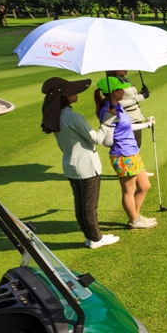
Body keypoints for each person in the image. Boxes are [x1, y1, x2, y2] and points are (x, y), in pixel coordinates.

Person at [41, 77, 120, 249]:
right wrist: (107, 119)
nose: (75, 93)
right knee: (90, 206)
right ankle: (96, 239)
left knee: (81, 205)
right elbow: (97, 138)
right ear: (64, 96)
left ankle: (90, 237)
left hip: (71, 166)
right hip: (86, 167)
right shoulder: (72, 117)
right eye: (71, 92)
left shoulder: (56, 116)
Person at [95, 76, 157, 229]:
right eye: (121, 89)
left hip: (132, 152)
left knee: (144, 186)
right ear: (114, 92)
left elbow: (126, 127)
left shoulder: (118, 106)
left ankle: (135, 217)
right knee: (129, 191)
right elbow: (107, 141)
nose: (124, 91)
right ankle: (134, 220)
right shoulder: (108, 111)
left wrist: (146, 125)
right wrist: (110, 119)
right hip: (123, 155)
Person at [103, 70, 153, 176]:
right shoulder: (113, 82)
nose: (126, 68)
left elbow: (129, 97)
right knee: (132, 144)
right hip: (128, 117)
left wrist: (140, 93)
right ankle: (136, 171)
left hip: (136, 115)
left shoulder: (125, 79)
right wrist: (140, 97)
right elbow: (119, 103)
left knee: (137, 144)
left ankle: (139, 170)